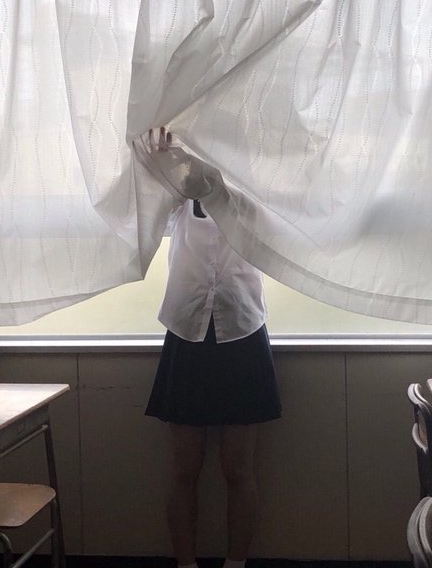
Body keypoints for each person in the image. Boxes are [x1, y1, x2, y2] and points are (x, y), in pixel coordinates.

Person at [139, 127, 282, 568]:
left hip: (242, 329)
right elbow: (148, 203)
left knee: (239, 469)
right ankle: (185, 564)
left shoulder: (253, 185)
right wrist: (163, 152)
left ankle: (236, 563)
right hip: (187, 331)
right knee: (185, 468)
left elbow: (273, 226)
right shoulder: (179, 187)